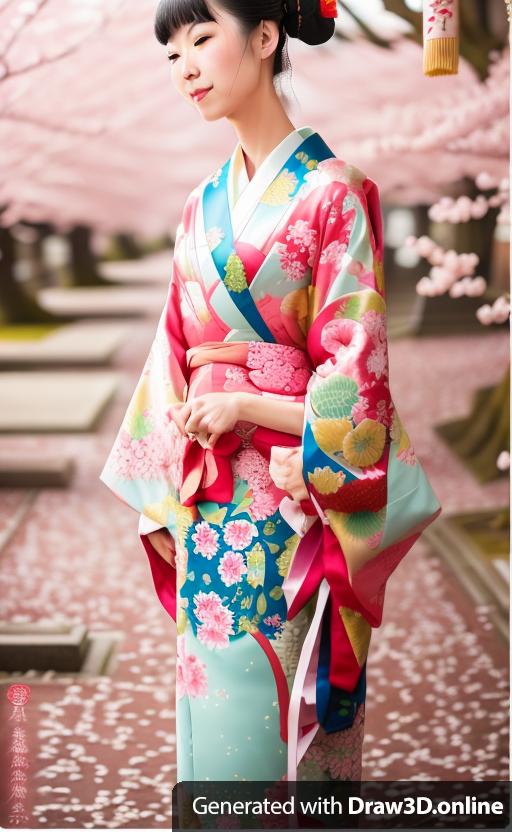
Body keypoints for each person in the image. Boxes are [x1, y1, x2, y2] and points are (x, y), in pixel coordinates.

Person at [99, 0, 442, 785]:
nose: (183, 65)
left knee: (290, 727)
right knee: (216, 725)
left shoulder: (336, 193)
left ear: (264, 37)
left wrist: (252, 407)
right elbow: (172, 358)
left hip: (298, 501)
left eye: (200, 38)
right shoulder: (199, 205)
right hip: (212, 504)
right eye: (170, 52)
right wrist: (178, 462)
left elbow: (358, 383)